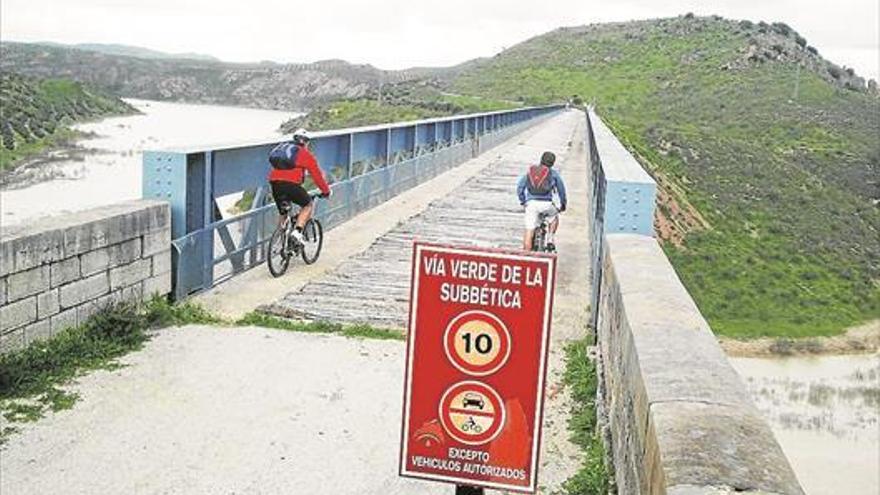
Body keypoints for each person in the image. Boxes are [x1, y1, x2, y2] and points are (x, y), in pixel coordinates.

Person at [268, 128, 332, 244]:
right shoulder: (305, 154)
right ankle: (297, 232)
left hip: (275, 183)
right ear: (307, 142)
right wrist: (326, 191)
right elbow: (317, 176)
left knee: (283, 212)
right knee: (307, 205)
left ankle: (281, 241)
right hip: (291, 185)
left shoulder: (284, 150)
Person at [516, 151, 567, 251]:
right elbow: (561, 190)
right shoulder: (553, 174)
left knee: (529, 230)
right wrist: (563, 204)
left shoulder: (531, 172)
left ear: (541, 160)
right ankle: (550, 239)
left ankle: (527, 256)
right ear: (552, 163)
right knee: (554, 217)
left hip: (531, 204)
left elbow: (520, 188)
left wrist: (523, 201)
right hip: (547, 204)